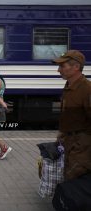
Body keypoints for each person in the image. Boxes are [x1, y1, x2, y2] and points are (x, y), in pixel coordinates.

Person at [52, 50, 91, 180]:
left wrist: (82, 142)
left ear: (76, 67)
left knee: (76, 181)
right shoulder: (69, 86)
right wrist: (62, 133)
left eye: (62, 66)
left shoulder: (87, 89)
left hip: (81, 148)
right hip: (69, 143)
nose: (58, 70)